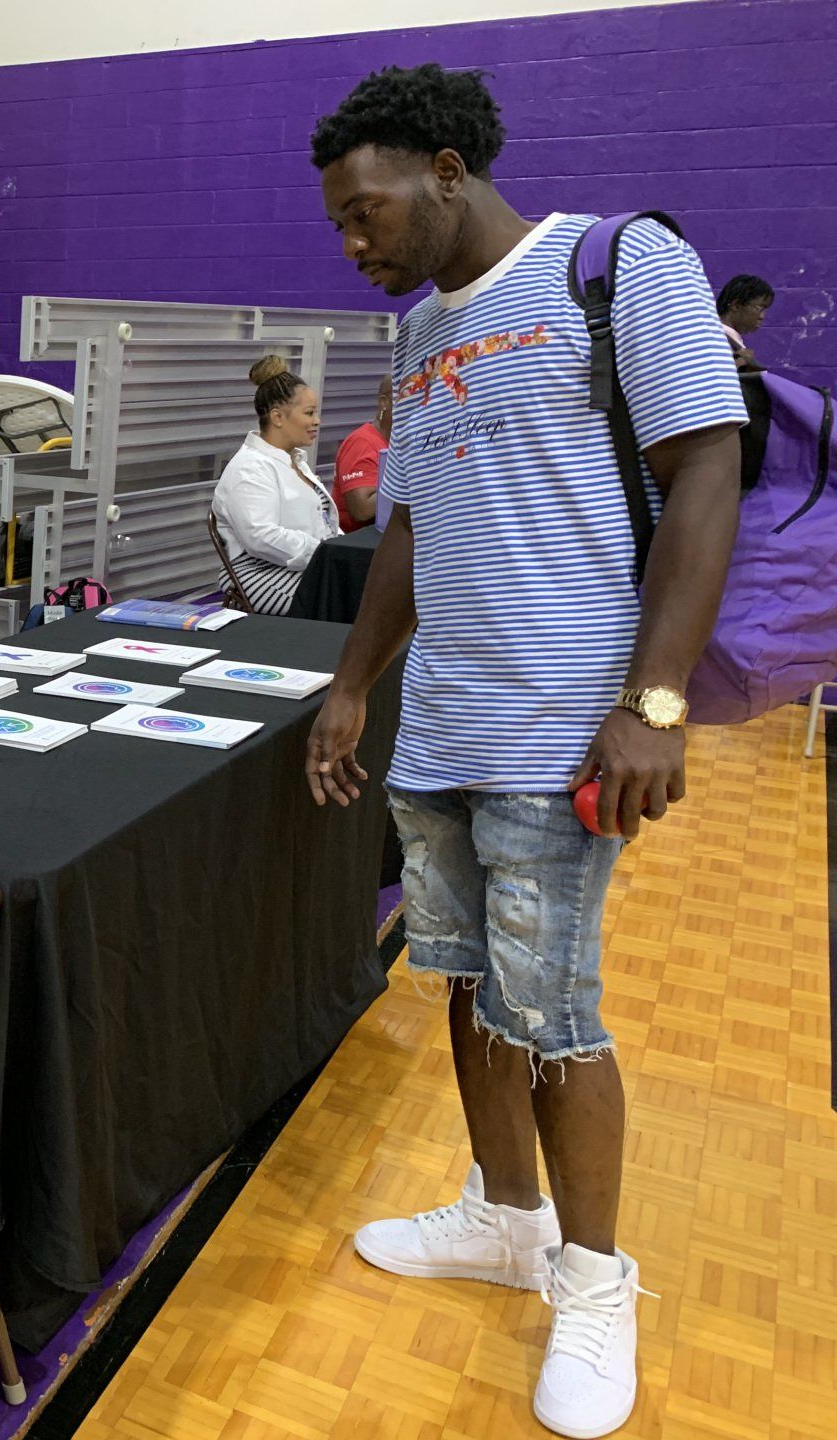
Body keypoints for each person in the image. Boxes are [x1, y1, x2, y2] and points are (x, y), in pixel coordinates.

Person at [307, 65, 744, 1440]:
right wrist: (351, 686)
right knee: (467, 983)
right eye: (339, 224)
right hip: (445, 723)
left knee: (554, 1009)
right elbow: (412, 535)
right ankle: (504, 1216)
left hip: (567, 727)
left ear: (447, 169)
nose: (354, 240)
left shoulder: (622, 265)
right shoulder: (425, 338)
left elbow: (707, 471)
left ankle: (597, 1282)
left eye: (367, 211)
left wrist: (656, 702)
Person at [210, 356, 341, 614]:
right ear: (278, 417)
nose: (317, 421)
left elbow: (325, 525)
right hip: (256, 573)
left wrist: (346, 552)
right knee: (347, 601)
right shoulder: (250, 468)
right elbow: (261, 536)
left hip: (303, 567)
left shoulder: (296, 462)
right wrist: (326, 553)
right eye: (309, 413)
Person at [332, 374, 393, 530]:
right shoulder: (362, 443)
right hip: (356, 546)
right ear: (384, 403)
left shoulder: (398, 443)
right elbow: (362, 510)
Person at [716, 273, 774, 370]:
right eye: (759, 308)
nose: (762, 316)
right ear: (736, 306)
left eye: (765, 310)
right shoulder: (716, 340)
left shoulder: (729, 341)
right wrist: (744, 363)